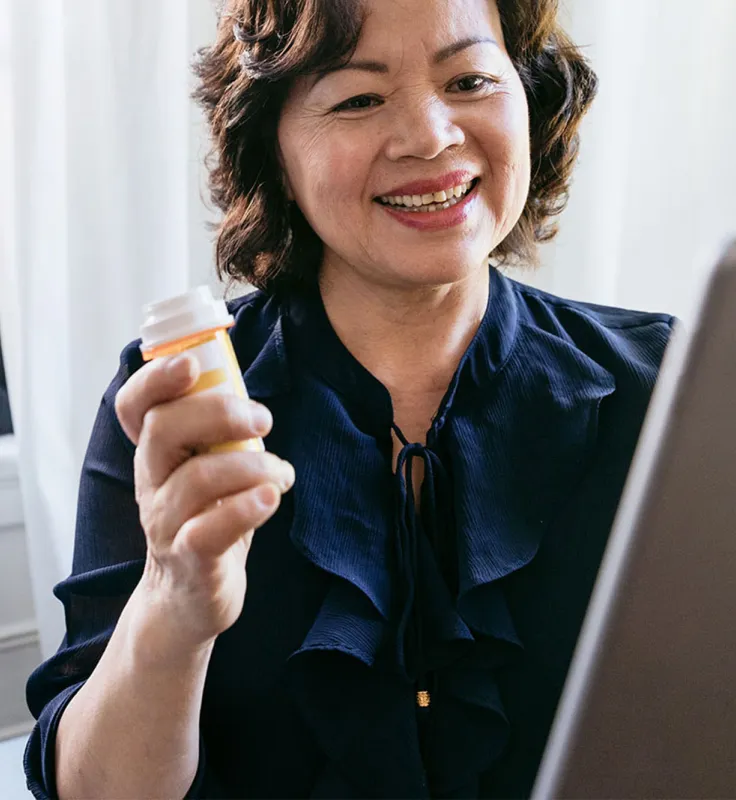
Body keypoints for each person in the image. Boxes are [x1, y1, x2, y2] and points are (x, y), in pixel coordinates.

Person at [24, 0, 676, 797]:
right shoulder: (180, 394)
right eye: (359, 99)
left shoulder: (665, 385)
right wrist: (174, 601)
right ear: (275, 149)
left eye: (469, 79)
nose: (431, 136)